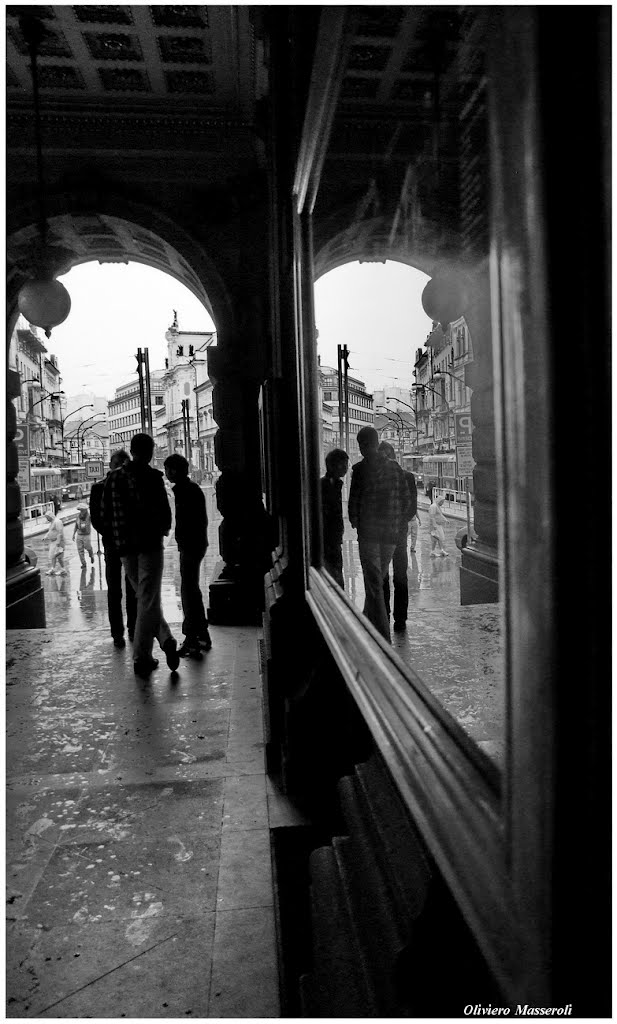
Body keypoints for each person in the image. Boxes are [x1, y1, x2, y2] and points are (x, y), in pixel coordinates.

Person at [103, 433, 179, 678]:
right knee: (147, 599)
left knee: (144, 598)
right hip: (149, 545)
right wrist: (164, 530)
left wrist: (116, 539)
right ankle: (141, 658)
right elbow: (164, 513)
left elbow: (105, 515)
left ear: (131, 450)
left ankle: (166, 639)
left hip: (125, 547)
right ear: (149, 452)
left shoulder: (113, 478)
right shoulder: (153, 477)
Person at [348, 426, 412, 642]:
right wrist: (396, 521)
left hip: (369, 535)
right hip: (391, 535)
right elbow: (405, 500)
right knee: (377, 580)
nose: (361, 449)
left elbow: (354, 502)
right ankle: (366, 622)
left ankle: (381, 636)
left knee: (374, 583)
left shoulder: (359, 470)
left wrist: (357, 522)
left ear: (368, 444)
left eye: (362, 445)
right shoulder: (395, 468)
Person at [164, 453, 212, 658]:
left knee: (188, 592)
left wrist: (182, 541)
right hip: (195, 545)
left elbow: (189, 522)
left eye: (168, 470)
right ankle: (201, 634)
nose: (166, 474)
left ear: (175, 470)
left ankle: (192, 638)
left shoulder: (185, 491)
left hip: (190, 546)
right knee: (191, 590)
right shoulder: (191, 489)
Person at [90, 450, 137, 649]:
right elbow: (96, 519)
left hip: (115, 543)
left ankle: (122, 632)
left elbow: (96, 519)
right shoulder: (100, 487)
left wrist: (109, 533)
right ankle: (127, 630)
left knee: (117, 589)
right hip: (120, 543)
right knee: (128, 588)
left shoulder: (103, 487)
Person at [378, 441, 417, 631]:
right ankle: (385, 614)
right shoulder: (376, 477)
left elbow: (412, 507)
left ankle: (399, 617)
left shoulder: (407, 477)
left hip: (398, 533)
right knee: (386, 576)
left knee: (399, 576)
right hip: (387, 534)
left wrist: (397, 521)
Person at [320, 448, 349, 588]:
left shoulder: (335, 484)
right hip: (328, 541)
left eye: (346, 464)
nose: (346, 468)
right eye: (342, 464)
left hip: (333, 540)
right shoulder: (326, 486)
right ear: (332, 466)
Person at [73, 503, 95, 569]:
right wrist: (73, 534)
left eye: (82, 510)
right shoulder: (78, 516)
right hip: (79, 535)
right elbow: (76, 525)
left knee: (88, 547)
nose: (81, 511)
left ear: (85, 510)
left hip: (86, 535)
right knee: (80, 550)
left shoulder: (89, 516)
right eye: (80, 510)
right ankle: (83, 563)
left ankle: (91, 555)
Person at [44, 511, 66, 575]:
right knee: (53, 556)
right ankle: (54, 569)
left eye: (47, 517)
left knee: (57, 556)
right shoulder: (52, 522)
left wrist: (58, 542)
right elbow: (50, 531)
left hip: (58, 542)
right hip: (53, 542)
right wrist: (46, 536)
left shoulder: (57, 522)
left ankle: (61, 569)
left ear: (50, 516)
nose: (47, 519)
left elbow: (60, 532)